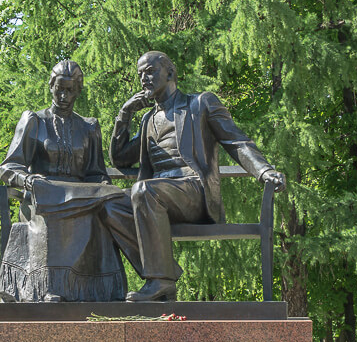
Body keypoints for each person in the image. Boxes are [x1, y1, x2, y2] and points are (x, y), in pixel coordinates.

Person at [101, 51, 285, 302]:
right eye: (140, 74)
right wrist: (124, 114)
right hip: (155, 196)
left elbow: (236, 141)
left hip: (193, 192)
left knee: (144, 190)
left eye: (150, 71)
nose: (144, 78)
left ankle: (160, 279)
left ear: (170, 73)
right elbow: (120, 158)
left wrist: (264, 170)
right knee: (108, 205)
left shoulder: (199, 104)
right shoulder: (147, 119)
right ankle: (164, 272)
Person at [0, 60, 130, 302]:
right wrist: (27, 180)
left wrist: (102, 187)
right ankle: (47, 288)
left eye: (69, 90)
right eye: (59, 89)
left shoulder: (88, 127)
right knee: (52, 214)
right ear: (50, 86)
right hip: (43, 196)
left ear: (78, 91)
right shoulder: (35, 121)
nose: (63, 95)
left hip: (80, 196)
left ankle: (99, 291)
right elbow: (8, 167)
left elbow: (96, 172)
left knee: (104, 210)